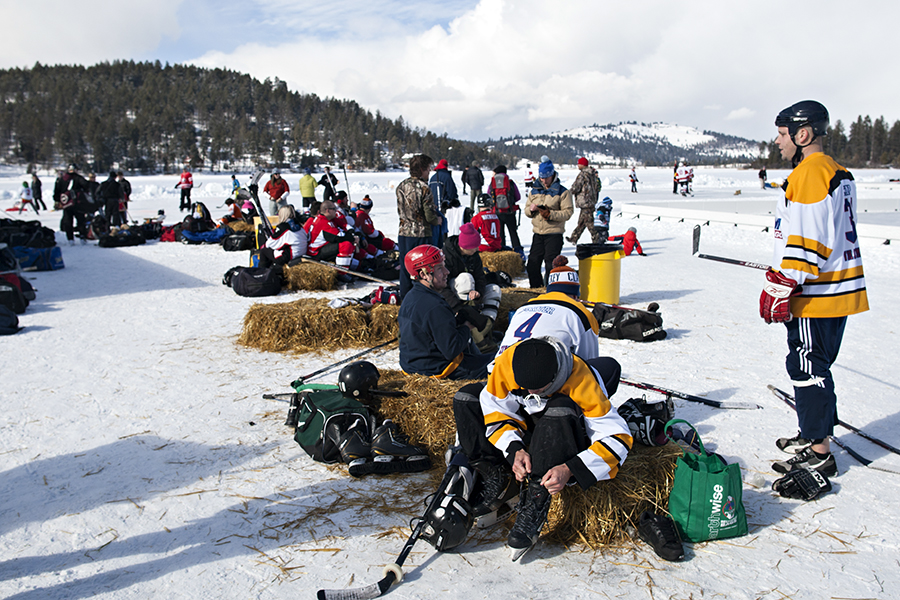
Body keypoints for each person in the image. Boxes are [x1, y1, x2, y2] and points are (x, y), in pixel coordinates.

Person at [762, 100, 868, 480]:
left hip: (816, 293)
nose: (777, 141)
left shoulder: (809, 174)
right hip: (835, 290)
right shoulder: (836, 171)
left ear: (802, 134)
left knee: (807, 365)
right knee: (816, 364)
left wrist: (782, 285)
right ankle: (814, 433)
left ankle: (820, 450)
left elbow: (809, 240)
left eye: (781, 133)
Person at [452, 336, 631, 559]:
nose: (531, 392)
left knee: (560, 408)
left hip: (560, 425)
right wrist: (514, 448)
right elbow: (495, 409)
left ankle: (537, 495)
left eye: (538, 389)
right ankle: (497, 476)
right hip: (527, 420)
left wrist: (571, 468)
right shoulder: (506, 364)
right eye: (525, 388)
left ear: (555, 377)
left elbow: (618, 438)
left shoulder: (582, 379)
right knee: (466, 397)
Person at [398, 244, 493, 380]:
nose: (447, 271)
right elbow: (452, 349)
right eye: (439, 268)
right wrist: (466, 327)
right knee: (499, 361)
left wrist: (456, 321)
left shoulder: (412, 296)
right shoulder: (434, 306)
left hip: (414, 365)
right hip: (437, 369)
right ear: (424, 274)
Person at [493, 258, 600, 363]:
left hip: (498, 371)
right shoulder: (579, 313)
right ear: (575, 295)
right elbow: (589, 362)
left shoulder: (522, 308)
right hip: (537, 375)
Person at [441, 223, 502, 352]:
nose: (477, 250)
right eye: (474, 247)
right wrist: (457, 307)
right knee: (466, 278)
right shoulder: (447, 256)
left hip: (470, 291)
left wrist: (479, 293)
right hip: (454, 294)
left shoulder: (474, 255)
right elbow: (442, 287)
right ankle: (470, 324)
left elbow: (480, 277)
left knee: (494, 289)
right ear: (464, 246)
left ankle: (485, 328)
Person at [396, 154, 442, 299]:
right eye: (428, 169)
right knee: (424, 268)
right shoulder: (424, 188)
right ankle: (423, 298)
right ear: (422, 169)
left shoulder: (401, 186)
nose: (429, 173)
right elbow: (429, 215)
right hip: (421, 233)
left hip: (404, 232)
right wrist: (437, 220)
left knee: (406, 267)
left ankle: (406, 297)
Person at [524, 160, 573, 288]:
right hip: (538, 234)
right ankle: (537, 289)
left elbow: (567, 213)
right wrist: (531, 210)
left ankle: (550, 290)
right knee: (532, 264)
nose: (544, 181)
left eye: (547, 178)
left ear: (553, 175)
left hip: (554, 233)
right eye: (542, 177)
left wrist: (550, 214)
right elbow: (526, 210)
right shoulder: (534, 191)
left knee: (550, 265)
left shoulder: (563, 192)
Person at [306, 200, 363, 270]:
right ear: (328, 211)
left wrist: (352, 233)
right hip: (316, 252)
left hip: (323, 246)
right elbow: (339, 236)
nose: (336, 211)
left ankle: (358, 265)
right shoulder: (323, 222)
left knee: (350, 245)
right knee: (346, 244)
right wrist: (353, 238)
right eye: (334, 209)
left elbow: (344, 225)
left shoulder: (328, 218)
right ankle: (342, 272)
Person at [486, 165, 523, 255]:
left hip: (497, 212)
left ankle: (502, 253)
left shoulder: (492, 183)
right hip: (510, 211)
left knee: (500, 234)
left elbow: (488, 195)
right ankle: (518, 252)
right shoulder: (510, 183)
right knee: (513, 232)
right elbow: (518, 197)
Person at [567, 157, 600, 245]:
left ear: (582, 164)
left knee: (589, 223)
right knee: (582, 221)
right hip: (591, 201)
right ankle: (574, 237)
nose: (577, 165)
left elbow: (576, 187)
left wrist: (568, 193)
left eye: (579, 163)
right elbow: (597, 187)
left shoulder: (583, 174)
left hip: (585, 202)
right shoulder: (592, 174)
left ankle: (596, 239)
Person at [55, 164, 91, 244]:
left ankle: (70, 238)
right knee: (81, 220)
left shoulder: (62, 179)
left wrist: (58, 201)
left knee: (68, 221)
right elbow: (86, 185)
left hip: (66, 203)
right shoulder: (78, 178)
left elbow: (57, 190)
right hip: (78, 203)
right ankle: (82, 236)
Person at [429, 159, 457, 248]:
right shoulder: (447, 177)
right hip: (445, 207)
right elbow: (452, 193)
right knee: (445, 228)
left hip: (433, 207)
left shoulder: (433, 177)